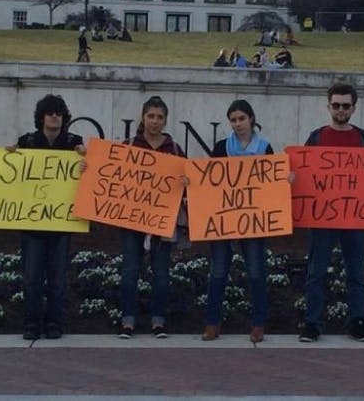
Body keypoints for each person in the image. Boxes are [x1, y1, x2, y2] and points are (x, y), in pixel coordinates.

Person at [299, 83, 364, 342]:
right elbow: (304, 171)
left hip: (355, 217)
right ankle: (312, 323)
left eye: (346, 105)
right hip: (323, 217)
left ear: (354, 107)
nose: (341, 110)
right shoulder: (317, 137)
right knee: (316, 272)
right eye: (336, 105)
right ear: (328, 106)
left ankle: (358, 321)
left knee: (356, 272)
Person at [8, 95, 84, 340]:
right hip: (32, 223)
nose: (54, 116)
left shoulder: (75, 143)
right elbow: (11, 174)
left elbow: (89, 175)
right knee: (31, 277)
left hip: (61, 223)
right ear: (41, 116)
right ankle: (31, 324)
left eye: (59, 113)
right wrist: (8, 156)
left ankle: (55, 323)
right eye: (50, 112)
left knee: (57, 278)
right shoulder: (27, 142)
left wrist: (86, 162)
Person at [200, 99, 273, 344]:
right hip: (223, 220)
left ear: (251, 119)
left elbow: (272, 183)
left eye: (242, 118)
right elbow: (208, 182)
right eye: (233, 120)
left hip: (254, 220)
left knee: (255, 272)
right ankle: (212, 324)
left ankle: (258, 324)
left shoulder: (265, 147)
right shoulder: (221, 148)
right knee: (218, 272)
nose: (238, 123)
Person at [117, 96, 186, 339]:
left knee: (161, 272)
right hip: (132, 220)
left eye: (159, 117)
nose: (155, 121)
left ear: (165, 120)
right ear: (143, 117)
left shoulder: (175, 150)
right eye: (151, 116)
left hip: (162, 221)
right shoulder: (128, 146)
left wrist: (185, 182)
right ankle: (127, 321)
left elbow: (185, 185)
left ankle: (159, 321)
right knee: (130, 271)